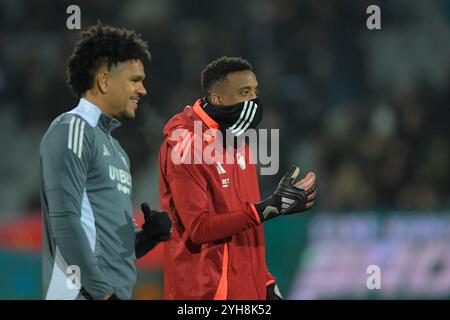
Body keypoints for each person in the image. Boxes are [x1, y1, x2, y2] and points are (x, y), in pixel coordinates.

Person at [158, 56, 317, 299]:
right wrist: (268, 208)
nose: (254, 100)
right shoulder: (185, 144)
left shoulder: (239, 141)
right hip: (204, 295)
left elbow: (244, 222)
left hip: (245, 291)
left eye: (255, 91)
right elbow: (199, 229)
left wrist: (264, 280)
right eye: (244, 92)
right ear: (218, 98)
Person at [40, 22, 172, 300]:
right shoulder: (71, 129)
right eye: (135, 80)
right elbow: (64, 223)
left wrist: (147, 237)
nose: (143, 90)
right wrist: (104, 295)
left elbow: (106, 249)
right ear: (103, 80)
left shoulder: (116, 150)